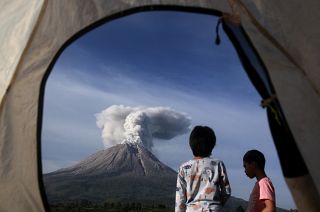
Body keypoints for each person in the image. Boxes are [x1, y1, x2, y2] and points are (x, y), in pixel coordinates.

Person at [175, 125, 231, 212]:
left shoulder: (184, 168)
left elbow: (180, 198)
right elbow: (226, 191)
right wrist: (218, 204)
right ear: (212, 145)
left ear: (191, 145)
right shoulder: (218, 164)